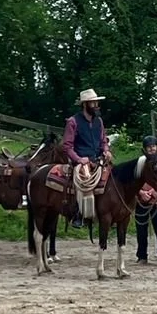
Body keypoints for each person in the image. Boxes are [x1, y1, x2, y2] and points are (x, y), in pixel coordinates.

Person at [62, 87, 110, 225]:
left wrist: (106, 150)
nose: (96, 106)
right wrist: (78, 159)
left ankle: (109, 210)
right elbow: (67, 146)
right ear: (85, 104)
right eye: (93, 103)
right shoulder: (73, 122)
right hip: (81, 160)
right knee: (84, 180)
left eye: (96, 103)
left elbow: (103, 140)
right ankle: (79, 213)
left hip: (98, 158)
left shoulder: (98, 121)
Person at [134, 134, 157, 264]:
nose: (151, 149)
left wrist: (156, 193)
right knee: (141, 230)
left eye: (153, 146)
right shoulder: (140, 163)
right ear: (144, 149)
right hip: (141, 200)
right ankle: (142, 255)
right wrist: (141, 192)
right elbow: (133, 182)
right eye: (149, 147)